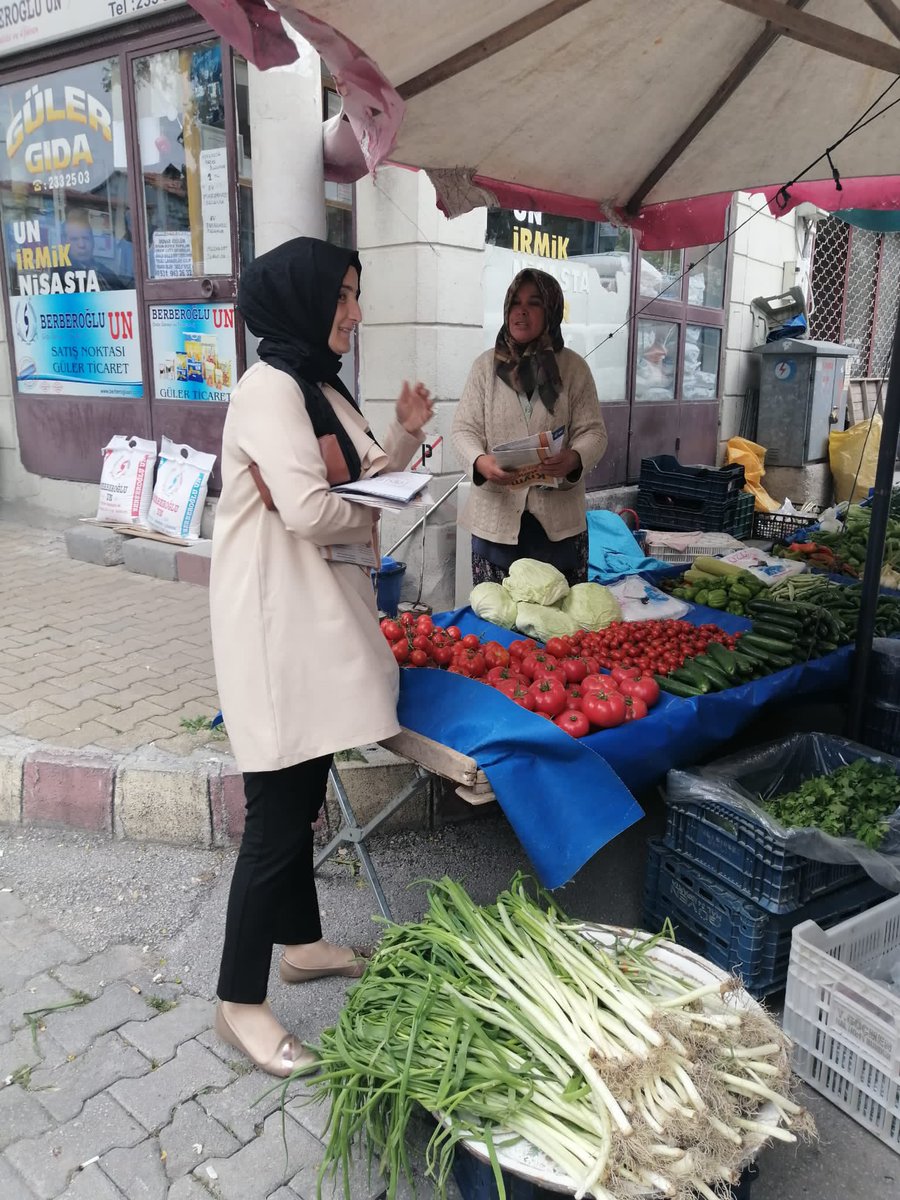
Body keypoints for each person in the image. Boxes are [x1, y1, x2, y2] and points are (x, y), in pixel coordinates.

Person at [209, 237, 433, 1078]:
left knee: (303, 784)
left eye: (354, 294)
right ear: (302, 299)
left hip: (317, 619)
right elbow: (308, 510)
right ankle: (238, 1002)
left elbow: (365, 476)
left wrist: (405, 443)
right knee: (274, 813)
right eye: (341, 295)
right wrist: (362, 507)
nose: (354, 312)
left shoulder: (321, 387)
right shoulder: (268, 391)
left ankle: (299, 944)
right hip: (276, 627)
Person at [452, 268, 607, 586]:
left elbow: (594, 432)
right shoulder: (485, 367)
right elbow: (463, 430)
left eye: (534, 303)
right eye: (515, 302)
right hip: (496, 522)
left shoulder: (573, 369)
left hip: (558, 529)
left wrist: (574, 458)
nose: (521, 311)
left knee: (557, 627)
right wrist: (481, 463)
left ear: (550, 311)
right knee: (497, 627)